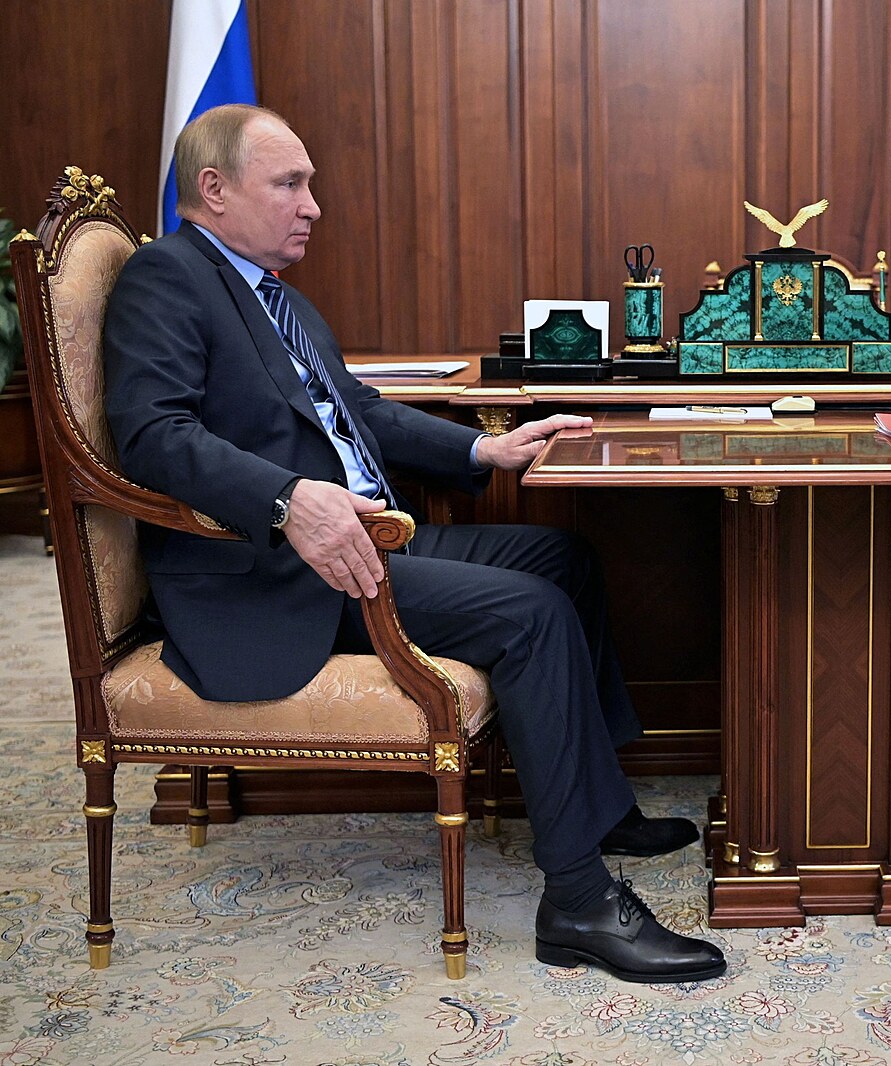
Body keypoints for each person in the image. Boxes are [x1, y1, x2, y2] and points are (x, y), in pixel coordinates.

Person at [102, 104, 724, 983]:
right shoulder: (167, 277)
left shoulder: (277, 296)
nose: (313, 205)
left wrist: (483, 451)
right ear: (214, 189)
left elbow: (357, 411)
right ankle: (579, 904)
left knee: (564, 559)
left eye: (310, 184)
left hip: (368, 543)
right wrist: (285, 500)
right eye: (289, 184)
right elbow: (153, 435)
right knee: (531, 614)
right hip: (277, 573)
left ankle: (597, 808)